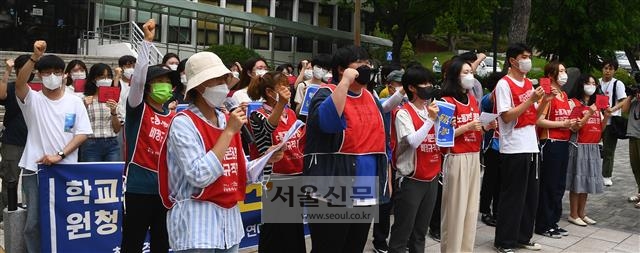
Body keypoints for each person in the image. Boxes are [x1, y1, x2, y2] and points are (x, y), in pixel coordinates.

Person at [158, 51, 283, 253]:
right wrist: (230, 132)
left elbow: (241, 170)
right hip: (197, 227)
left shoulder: (226, 119)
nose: (224, 85)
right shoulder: (183, 123)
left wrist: (267, 158)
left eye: (225, 79)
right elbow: (199, 175)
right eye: (218, 80)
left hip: (229, 225)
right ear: (200, 86)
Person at [304, 45, 389, 252]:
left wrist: (385, 177)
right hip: (333, 186)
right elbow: (327, 122)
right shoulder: (325, 93)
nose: (366, 67)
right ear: (342, 69)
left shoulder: (371, 97)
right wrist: (344, 83)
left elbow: (382, 140)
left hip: (366, 187)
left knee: (355, 245)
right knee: (329, 246)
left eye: (368, 63)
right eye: (360, 63)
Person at [15, 40, 93, 253]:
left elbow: (83, 133)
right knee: (34, 222)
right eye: (47, 72)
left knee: (67, 216)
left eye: (57, 72)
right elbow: (20, 83)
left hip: (66, 169)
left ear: (64, 75)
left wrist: (60, 155)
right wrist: (34, 58)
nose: (52, 76)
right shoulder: (32, 100)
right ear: (40, 76)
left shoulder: (74, 101)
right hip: (35, 169)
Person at [120, 19, 176, 253]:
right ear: (148, 86)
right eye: (158, 82)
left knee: (162, 244)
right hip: (138, 189)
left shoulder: (174, 116)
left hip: (165, 192)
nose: (164, 85)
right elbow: (139, 79)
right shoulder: (138, 108)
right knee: (132, 243)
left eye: (167, 82)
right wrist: (146, 42)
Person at [246, 71, 306, 253]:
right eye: (282, 86)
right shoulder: (257, 115)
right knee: (276, 232)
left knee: (294, 230)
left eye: (288, 85)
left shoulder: (290, 114)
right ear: (270, 92)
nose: (287, 89)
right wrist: (280, 103)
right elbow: (267, 129)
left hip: (296, 175)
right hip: (275, 179)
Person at [493, 43, 544, 253]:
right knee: (512, 197)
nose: (528, 60)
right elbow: (506, 115)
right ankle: (504, 241)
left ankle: (523, 236)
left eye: (529, 56)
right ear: (513, 60)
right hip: (513, 147)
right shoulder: (504, 84)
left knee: (530, 196)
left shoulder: (528, 84)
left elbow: (535, 114)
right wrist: (531, 99)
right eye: (524, 56)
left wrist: (544, 101)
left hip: (531, 144)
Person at [439, 59, 493, 253]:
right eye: (465, 72)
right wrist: (467, 127)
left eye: (471, 71)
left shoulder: (472, 100)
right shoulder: (445, 102)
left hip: (474, 156)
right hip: (457, 158)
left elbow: (475, 128)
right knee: (455, 210)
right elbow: (443, 137)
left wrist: (486, 126)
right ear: (455, 76)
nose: (470, 75)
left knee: (470, 210)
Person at [387, 65, 440, 253]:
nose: (429, 86)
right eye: (424, 83)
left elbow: (442, 141)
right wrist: (431, 121)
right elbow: (413, 141)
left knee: (420, 232)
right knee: (403, 231)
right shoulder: (403, 113)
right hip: (411, 179)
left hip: (431, 177)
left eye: (430, 83)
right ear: (411, 88)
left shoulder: (432, 110)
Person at [535, 61, 577, 238]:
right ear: (551, 75)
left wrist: (572, 124)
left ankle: (553, 221)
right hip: (550, 142)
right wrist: (562, 124)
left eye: (564, 70)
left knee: (559, 185)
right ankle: (543, 224)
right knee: (549, 184)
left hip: (563, 142)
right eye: (560, 71)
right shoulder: (546, 94)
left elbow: (567, 121)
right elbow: (538, 120)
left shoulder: (563, 94)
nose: (564, 74)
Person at [566, 74, 607, 223]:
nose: (591, 86)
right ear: (581, 85)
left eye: (594, 83)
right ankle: (573, 214)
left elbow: (601, 128)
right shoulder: (574, 103)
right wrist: (589, 113)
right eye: (588, 83)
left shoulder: (597, 105)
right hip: (579, 146)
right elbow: (575, 127)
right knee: (578, 181)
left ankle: (582, 213)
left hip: (593, 146)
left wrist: (606, 115)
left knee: (587, 181)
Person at [0, 55, 30, 221]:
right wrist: (7, 71)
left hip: (33, 141)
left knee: (31, 181)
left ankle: (28, 210)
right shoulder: (11, 87)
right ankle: (7, 215)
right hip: (12, 142)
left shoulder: (37, 89)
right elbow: (1, 95)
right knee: (10, 179)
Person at [79, 63, 123, 162]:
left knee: (112, 175)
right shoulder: (84, 99)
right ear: (94, 79)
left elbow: (117, 129)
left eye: (108, 77)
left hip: (112, 143)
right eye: (102, 77)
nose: (106, 80)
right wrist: (84, 106)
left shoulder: (115, 99)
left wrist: (113, 112)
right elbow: (77, 124)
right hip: (91, 143)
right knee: (92, 175)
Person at [479, 71, 507, 227]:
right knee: (490, 181)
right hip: (492, 145)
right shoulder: (488, 98)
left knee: (501, 182)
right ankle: (485, 210)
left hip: (506, 145)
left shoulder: (507, 99)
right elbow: (491, 100)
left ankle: (497, 210)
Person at [599, 59, 629, 186]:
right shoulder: (597, 83)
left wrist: (613, 109)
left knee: (608, 150)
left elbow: (624, 100)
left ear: (614, 71)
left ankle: (606, 175)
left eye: (610, 69)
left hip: (611, 121)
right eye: (606, 68)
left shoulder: (618, 84)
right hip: (596, 120)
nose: (607, 71)